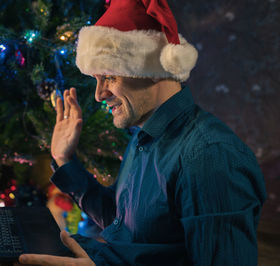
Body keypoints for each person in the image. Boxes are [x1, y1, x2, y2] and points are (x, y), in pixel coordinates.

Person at [19, 0, 266, 265]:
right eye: (96, 79)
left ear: (156, 70)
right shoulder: (144, 134)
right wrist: (64, 160)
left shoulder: (210, 157)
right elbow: (125, 225)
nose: (99, 94)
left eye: (110, 76)